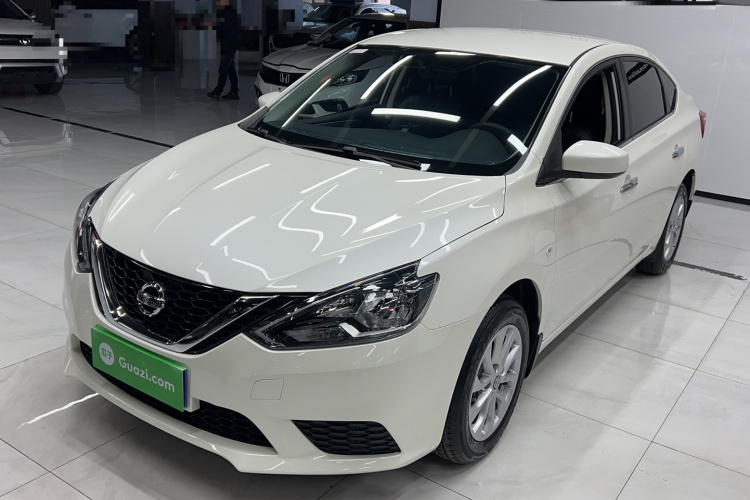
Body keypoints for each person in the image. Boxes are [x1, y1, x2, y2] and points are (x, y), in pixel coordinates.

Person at [207, 0, 241, 100]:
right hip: (228, 43)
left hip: (230, 44)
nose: (218, 3)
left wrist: (213, 26)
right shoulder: (226, 12)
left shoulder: (229, 13)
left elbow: (226, 27)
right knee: (230, 68)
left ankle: (218, 90)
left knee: (223, 67)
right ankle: (234, 91)